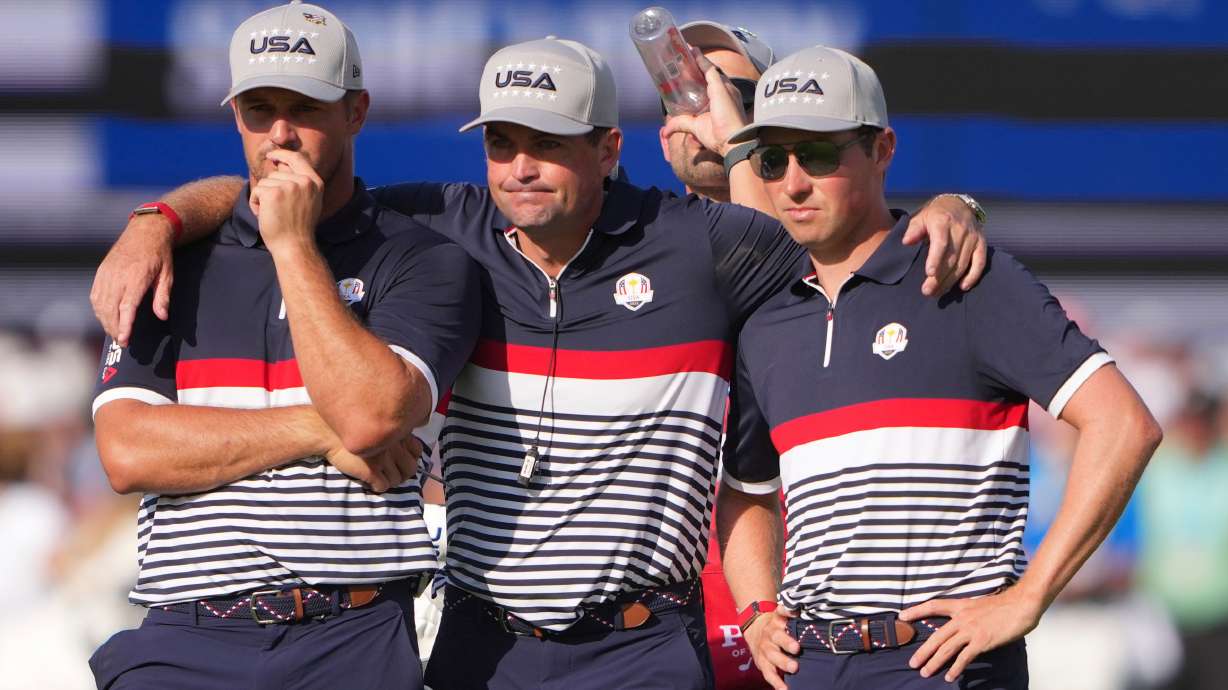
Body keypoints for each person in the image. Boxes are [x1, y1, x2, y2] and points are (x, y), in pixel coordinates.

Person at [89, 35, 987, 689]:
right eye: (502, 142)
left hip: (643, 647)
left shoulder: (693, 242)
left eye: (551, 142)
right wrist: (159, 219)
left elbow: (833, 229)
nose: (520, 167)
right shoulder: (443, 228)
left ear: (608, 149)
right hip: (482, 651)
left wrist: (950, 204)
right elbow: (290, 195)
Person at [688, 45, 1162, 689]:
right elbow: (747, 490)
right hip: (811, 665)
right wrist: (757, 612)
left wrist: (1027, 598)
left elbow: (1124, 424)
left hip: (941, 662)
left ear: (882, 150)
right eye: (774, 159)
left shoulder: (965, 275)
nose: (793, 181)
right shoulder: (769, 317)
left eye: (819, 154)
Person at [88, 3, 480, 688]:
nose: (279, 133)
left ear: (355, 112)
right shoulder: (172, 257)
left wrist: (292, 244)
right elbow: (128, 451)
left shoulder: (423, 259)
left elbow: (370, 416)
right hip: (185, 634)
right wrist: (317, 431)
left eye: (305, 107)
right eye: (257, 108)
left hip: (351, 634)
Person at [655, 22, 987, 690]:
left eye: (732, 93)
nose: (706, 110)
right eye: (683, 91)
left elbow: (783, 257)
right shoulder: (634, 245)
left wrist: (960, 207)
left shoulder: (849, 254)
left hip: (808, 638)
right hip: (660, 632)